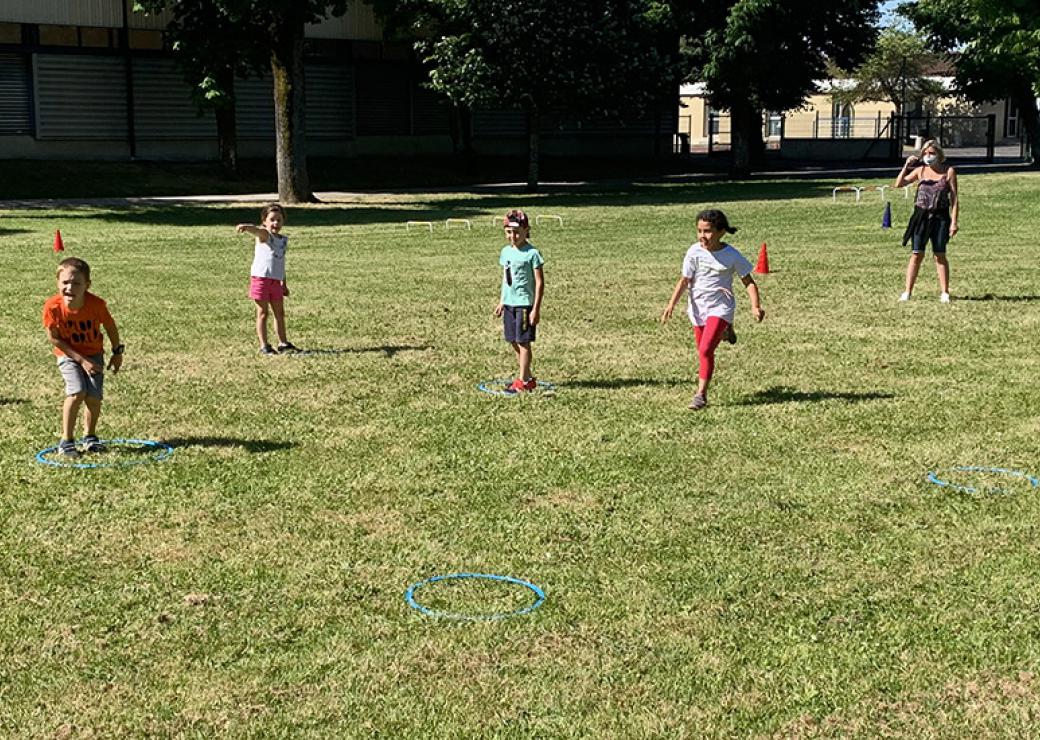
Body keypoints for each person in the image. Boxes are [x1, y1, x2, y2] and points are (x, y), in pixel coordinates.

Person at [660, 209, 765, 410]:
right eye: (699, 231)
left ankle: (700, 395)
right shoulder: (694, 252)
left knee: (706, 348)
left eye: (707, 231)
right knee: (703, 351)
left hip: (721, 306)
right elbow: (685, 280)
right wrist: (671, 304)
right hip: (698, 307)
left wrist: (755, 306)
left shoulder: (731, 255)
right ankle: (726, 330)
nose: (702, 236)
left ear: (721, 232)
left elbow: (749, 282)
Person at [42, 257, 123, 457]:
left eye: (76, 283)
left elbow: (110, 326)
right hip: (68, 354)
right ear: (58, 283)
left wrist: (117, 352)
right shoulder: (52, 307)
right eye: (65, 282)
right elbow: (54, 339)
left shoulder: (96, 305)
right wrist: (81, 361)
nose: (70, 288)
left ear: (87, 285)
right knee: (77, 392)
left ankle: (90, 437)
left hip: (94, 353)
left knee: (94, 397)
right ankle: (66, 441)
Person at [895, 139, 959, 303]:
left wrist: (954, 222)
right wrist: (906, 166)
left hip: (940, 217)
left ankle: (945, 292)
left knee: (940, 254)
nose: (928, 156)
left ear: (939, 154)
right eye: (925, 153)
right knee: (916, 254)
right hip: (921, 217)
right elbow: (899, 184)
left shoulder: (948, 172)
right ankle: (907, 291)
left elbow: (954, 199)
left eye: (931, 153)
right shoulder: (920, 171)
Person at [236, 203, 298, 354]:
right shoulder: (265, 236)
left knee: (279, 313)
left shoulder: (283, 240)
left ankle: (283, 343)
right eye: (272, 220)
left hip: (275, 281)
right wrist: (246, 227)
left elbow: (280, 262)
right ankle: (264, 345)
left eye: (279, 220)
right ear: (264, 221)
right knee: (263, 313)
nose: (275, 223)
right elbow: (257, 231)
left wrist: (283, 282)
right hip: (261, 280)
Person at [494, 209, 545, 393]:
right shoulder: (505, 252)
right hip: (509, 304)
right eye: (509, 232)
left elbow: (540, 283)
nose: (513, 236)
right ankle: (528, 377)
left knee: (523, 342)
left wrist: (535, 309)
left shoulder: (532, 253)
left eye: (517, 232)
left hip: (524, 304)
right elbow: (505, 278)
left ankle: (522, 382)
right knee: (513, 340)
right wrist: (502, 301)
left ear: (526, 230)